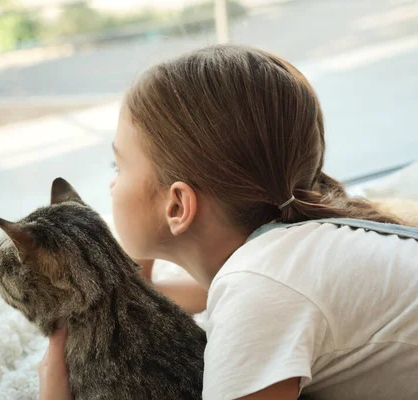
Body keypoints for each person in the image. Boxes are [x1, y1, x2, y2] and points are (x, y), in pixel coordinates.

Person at [38, 45, 418, 399]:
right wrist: (132, 282)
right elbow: (193, 294)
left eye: (117, 167)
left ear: (177, 206)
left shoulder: (260, 292)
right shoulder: (277, 255)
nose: (110, 183)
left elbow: (246, 303)